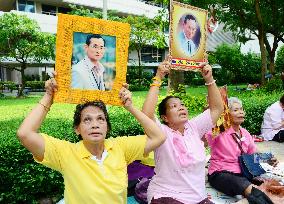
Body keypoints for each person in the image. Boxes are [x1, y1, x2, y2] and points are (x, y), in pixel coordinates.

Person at [17, 78, 166, 204]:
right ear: (77, 129)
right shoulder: (66, 152)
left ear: (107, 127)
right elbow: (25, 134)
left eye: (100, 119)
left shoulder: (120, 147)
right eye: (87, 120)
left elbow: (158, 137)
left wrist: (130, 107)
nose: (95, 124)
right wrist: (48, 97)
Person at [142, 58, 224, 203]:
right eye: (174, 106)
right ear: (165, 118)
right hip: (166, 195)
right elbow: (146, 115)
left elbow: (217, 108)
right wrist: (159, 77)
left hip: (197, 198)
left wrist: (209, 79)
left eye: (182, 105)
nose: (181, 107)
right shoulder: (161, 132)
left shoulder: (193, 128)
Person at [205, 97, 279, 202]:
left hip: (242, 172)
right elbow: (205, 136)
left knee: (272, 185)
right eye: (235, 110)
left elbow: (252, 154)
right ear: (226, 114)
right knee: (247, 187)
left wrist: (268, 159)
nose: (240, 112)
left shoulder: (245, 133)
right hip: (220, 173)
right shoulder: (219, 131)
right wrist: (214, 114)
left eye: (241, 109)